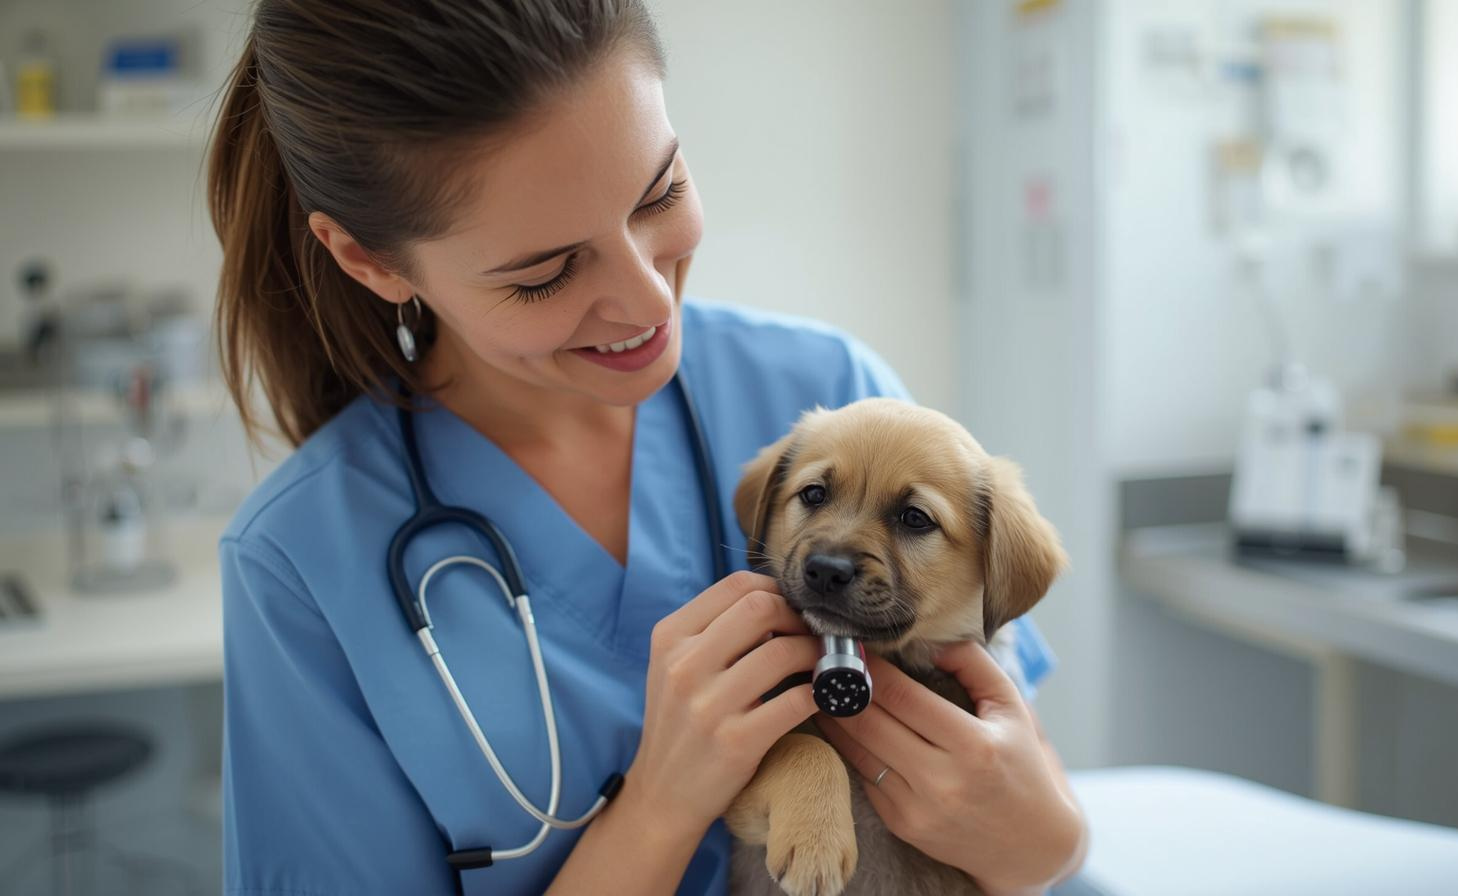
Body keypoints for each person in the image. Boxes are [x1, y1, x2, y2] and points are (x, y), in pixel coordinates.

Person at [209, 1, 1087, 893]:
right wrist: (666, 799)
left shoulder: (827, 389)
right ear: (371, 261)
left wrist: (1047, 838)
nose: (647, 303)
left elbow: (1029, 809)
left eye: (659, 192)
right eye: (545, 271)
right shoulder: (300, 564)